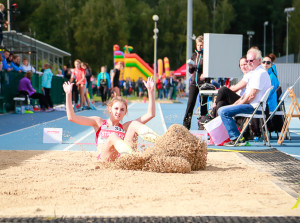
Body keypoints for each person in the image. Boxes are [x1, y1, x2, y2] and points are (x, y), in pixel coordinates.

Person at [63, 77, 159, 162]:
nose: (119, 112)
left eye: (122, 110)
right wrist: (68, 94)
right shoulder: (99, 122)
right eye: (116, 108)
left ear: (125, 112)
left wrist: (150, 92)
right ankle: (132, 156)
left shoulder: (125, 127)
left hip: (121, 160)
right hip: (105, 159)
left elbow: (151, 114)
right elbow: (72, 117)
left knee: (134, 124)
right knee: (113, 136)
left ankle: (161, 142)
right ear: (110, 109)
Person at [218, 48, 271, 146]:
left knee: (223, 111)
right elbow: (245, 95)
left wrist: (237, 105)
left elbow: (251, 96)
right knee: (223, 109)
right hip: (253, 106)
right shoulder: (255, 73)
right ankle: (238, 138)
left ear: (259, 60)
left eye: (252, 60)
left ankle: (237, 139)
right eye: (248, 61)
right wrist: (234, 104)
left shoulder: (260, 74)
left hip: (255, 107)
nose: (249, 63)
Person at [183, 35, 209, 130]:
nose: (199, 47)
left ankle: (202, 126)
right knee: (190, 105)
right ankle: (185, 127)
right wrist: (190, 67)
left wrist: (205, 74)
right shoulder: (194, 55)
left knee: (203, 106)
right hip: (194, 84)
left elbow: (210, 69)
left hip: (204, 84)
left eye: (201, 45)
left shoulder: (207, 56)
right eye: (198, 45)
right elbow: (191, 71)